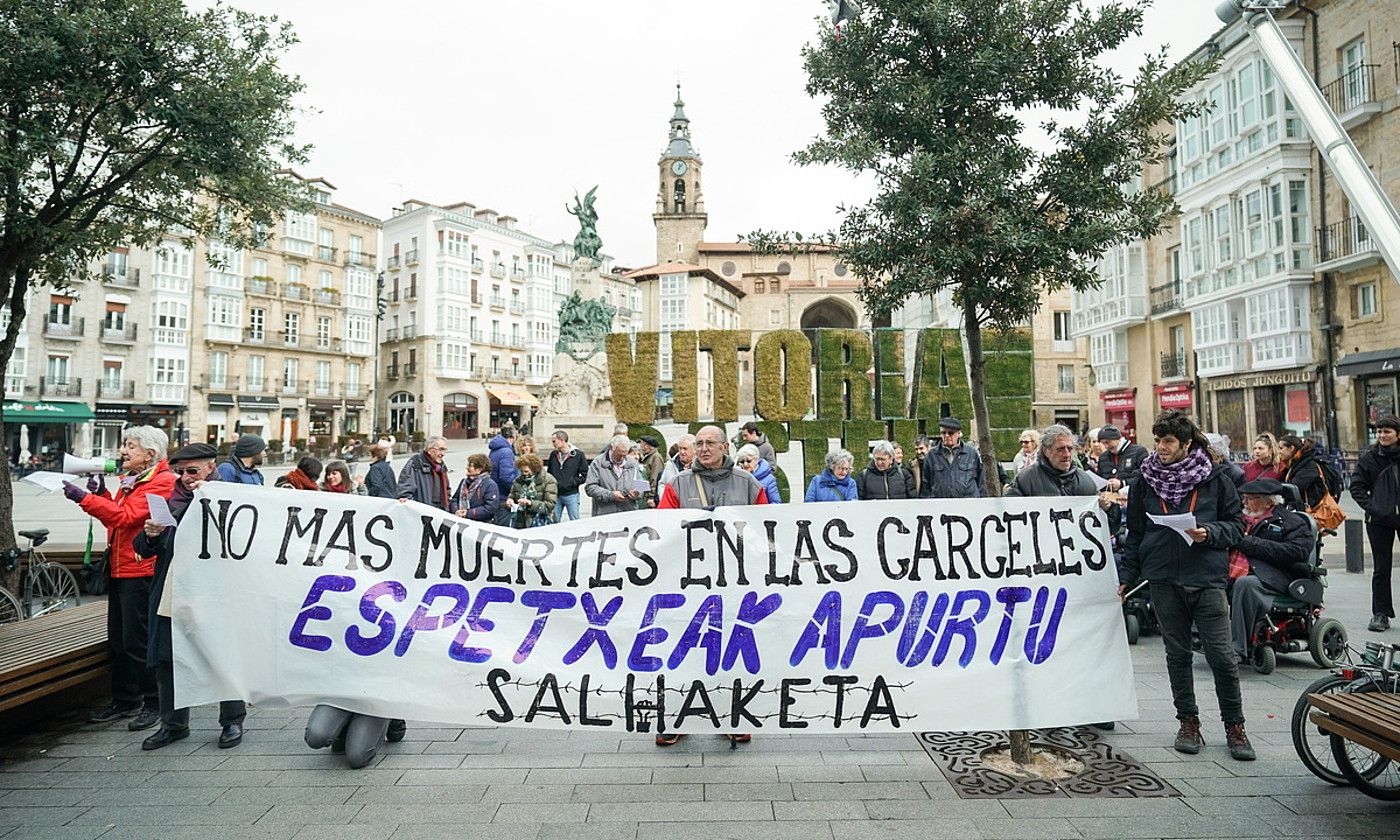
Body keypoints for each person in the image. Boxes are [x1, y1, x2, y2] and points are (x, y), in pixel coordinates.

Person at [1117, 410, 1251, 761]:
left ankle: (1235, 726)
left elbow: (1237, 526)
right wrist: (1127, 576)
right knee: (1177, 655)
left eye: (1168, 442)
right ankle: (1188, 722)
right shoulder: (1145, 479)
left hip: (1205, 576)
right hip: (1162, 577)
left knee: (1222, 656)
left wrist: (1211, 533)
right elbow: (1136, 532)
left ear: (1186, 444)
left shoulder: (1216, 477)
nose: (1160, 448)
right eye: (1157, 440)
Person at [656, 424, 768, 747]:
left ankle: (733, 715)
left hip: (734, 581)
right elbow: (662, 527)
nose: (703, 448)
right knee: (682, 650)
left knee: (732, 649)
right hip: (688, 582)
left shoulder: (748, 483)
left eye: (710, 443)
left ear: (724, 448)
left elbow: (766, 528)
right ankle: (676, 716)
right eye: (699, 443)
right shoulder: (678, 484)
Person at [1005, 424, 1121, 730]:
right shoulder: (1027, 480)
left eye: (1070, 448)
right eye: (1060, 449)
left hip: (1078, 578)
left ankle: (1093, 707)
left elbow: (1105, 528)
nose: (1067, 454)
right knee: (1047, 643)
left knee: (1085, 644)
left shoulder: (1084, 482)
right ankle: (1051, 709)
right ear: (1045, 451)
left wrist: (1108, 510)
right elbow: (1009, 519)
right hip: (1042, 576)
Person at [133, 443, 246, 751]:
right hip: (174, 588)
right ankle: (173, 724)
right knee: (167, 658)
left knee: (221, 655)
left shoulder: (230, 499)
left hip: (216, 592)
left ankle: (232, 721)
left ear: (212, 468)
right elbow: (142, 548)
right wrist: (151, 534)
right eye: (179, 471)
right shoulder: (171, 502)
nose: (184, 477)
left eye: (192, 471)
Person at [62, 425, 176, 730]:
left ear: (149, 454)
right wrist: (102, 494)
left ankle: (153, 701)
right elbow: (117, 516)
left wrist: (84, 499)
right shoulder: (136, 480)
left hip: (140, 569)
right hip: (121, 566)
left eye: (130, 446)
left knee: (139, 640)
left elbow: (124, 518)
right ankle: (125, 699)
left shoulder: (163, 482)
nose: (123, 451)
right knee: (119, 640)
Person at [1228, 477, 1314, 660]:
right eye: (1244, 498)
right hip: (1238, 569)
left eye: (1250, 498)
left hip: (1274, 575)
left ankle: (1237, 648)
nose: (1244, 502)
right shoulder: (1241, 519)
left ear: (1268, 500)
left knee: (1245, 584)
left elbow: (1297, 552)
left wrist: (1252, 544)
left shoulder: (1291, 522)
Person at [1350, 415, 1400, 632]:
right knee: (1382, 567)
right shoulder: (1369, 458)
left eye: (1387, 431)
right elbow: (1356, 488)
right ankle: (1380, 614)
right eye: (1379, 431)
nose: (1382, 435)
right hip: (1379, 521)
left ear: (1398, 434)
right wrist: (1374, 508)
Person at [921, 417, 984, 499]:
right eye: (943, 433)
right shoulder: (931, 455)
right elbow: (926, 485)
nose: (946, 436)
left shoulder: (971, 453)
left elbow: (981, 482)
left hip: (968, 505)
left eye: (950, 433)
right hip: (940, 505)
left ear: (958, 433)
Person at [586, 435, 645, 515]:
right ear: (612, 448)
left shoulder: (632, 463)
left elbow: (642, 484)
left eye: (625, 455)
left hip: (628, 512)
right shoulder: (598, 463)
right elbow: (590, 488)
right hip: (605, 514)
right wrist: (611, 495)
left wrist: (638, 492)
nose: (622, 458)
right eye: (619, 454)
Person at [395, 436, 451, 511]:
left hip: (439, 513)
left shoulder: (441, 467)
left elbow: (447, 490)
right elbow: (405, 493)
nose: (443, 453)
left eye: (444, 450)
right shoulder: (415, 464)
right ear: (429, 450)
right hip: (422, 514)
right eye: (441, 449)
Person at [1278, 435, 1332, 511]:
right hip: (1300, 509)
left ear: (1291, 448)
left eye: (1281, 448)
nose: (1278, 452)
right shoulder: (1293, 464)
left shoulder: (1308, 465)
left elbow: (1295, 488)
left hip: (1312, 511)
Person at [546, 430, 589, 522]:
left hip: (571, 494)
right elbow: (549, 474)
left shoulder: (578, 455)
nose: (553, 444)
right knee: (553, 521)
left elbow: (585, 474)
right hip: (556, 495)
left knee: (575, 521)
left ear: (562, 440)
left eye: (554, 441)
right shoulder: (553, 455)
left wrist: (573, 482)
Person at [506, 454, 558, 528]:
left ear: (535, 469)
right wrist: (510, 500)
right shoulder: (518, 480)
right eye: (521, 471)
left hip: (541, 523)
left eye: (526, 471)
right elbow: (513, 495)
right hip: (520, 522)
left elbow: (549, 506)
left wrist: (530, 503)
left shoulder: (549, 480)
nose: (524, 474)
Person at [1096, 425, 1149, 492]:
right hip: (1110, 497)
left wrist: (1123, 483)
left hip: (1133, 496)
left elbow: (1145, 476)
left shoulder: (1138, 452)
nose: (1106, 446)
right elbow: (1100, 478)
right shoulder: (1103, 457)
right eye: (1103, 443)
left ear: (1118, 439)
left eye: (1108, 442)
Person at [451, 453, 501, 522]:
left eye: (470, 465)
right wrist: (456, 510)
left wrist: (468, 513)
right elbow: (454, 499)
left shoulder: (490, 485)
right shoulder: (464, 482)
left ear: (478, 470)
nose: (467, 467)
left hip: (480, 524)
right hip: (461, 522)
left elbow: (490, 508)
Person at [488, 425, 519, 498]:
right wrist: (516, 491)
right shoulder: (506, 452)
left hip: (495, 490)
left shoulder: (496, 448)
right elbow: (506, 477)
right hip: (503, 494)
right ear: (513, 436)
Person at [637, 436, 666, 502]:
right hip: (645, 494)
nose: (641, 447)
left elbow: (655, 477)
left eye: (642, 444)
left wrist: (651, 496)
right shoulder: (646, 457)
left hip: (650, 497)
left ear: (647, 446)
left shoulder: (656, 457)